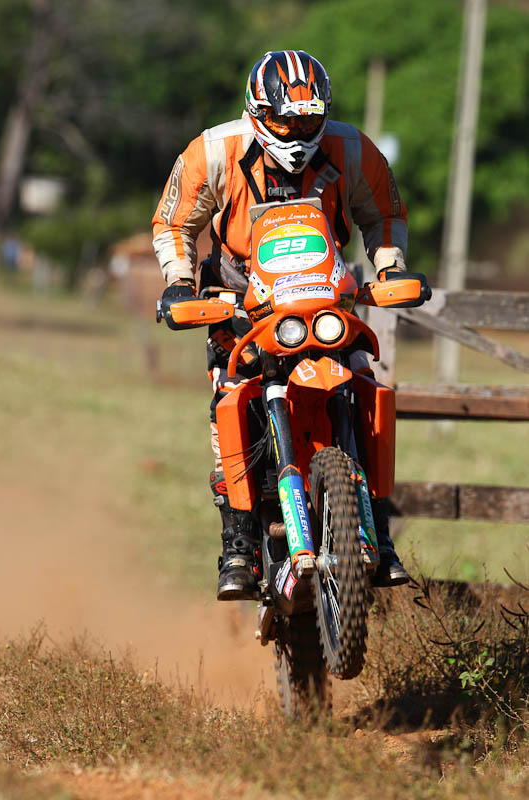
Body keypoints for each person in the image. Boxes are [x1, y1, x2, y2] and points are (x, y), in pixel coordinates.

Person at [152, 49, 410, 600]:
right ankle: (238, 543)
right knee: (230, 395)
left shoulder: (352, 148)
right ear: (257, 111)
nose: (298, 131)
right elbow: (175, 220)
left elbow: (384, 214)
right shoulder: (213, 150)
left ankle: (379, 532)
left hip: (324, 299)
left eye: (309, 120)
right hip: (239, 298)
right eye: (286, 120)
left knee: (368, 385)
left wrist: (390, 266)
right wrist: (178, 281)